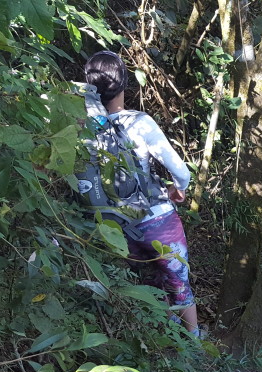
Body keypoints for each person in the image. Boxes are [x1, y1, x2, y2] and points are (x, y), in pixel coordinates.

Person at [84, 50, 200, 338]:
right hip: (158, 221)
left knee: (147, 285)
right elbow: (182, 172)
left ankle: (164, 340)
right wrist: (178, 190)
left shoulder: (82, 129)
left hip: (117, 226)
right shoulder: (140, 122)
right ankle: (196, 347)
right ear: (124, 83)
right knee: (178, 283)